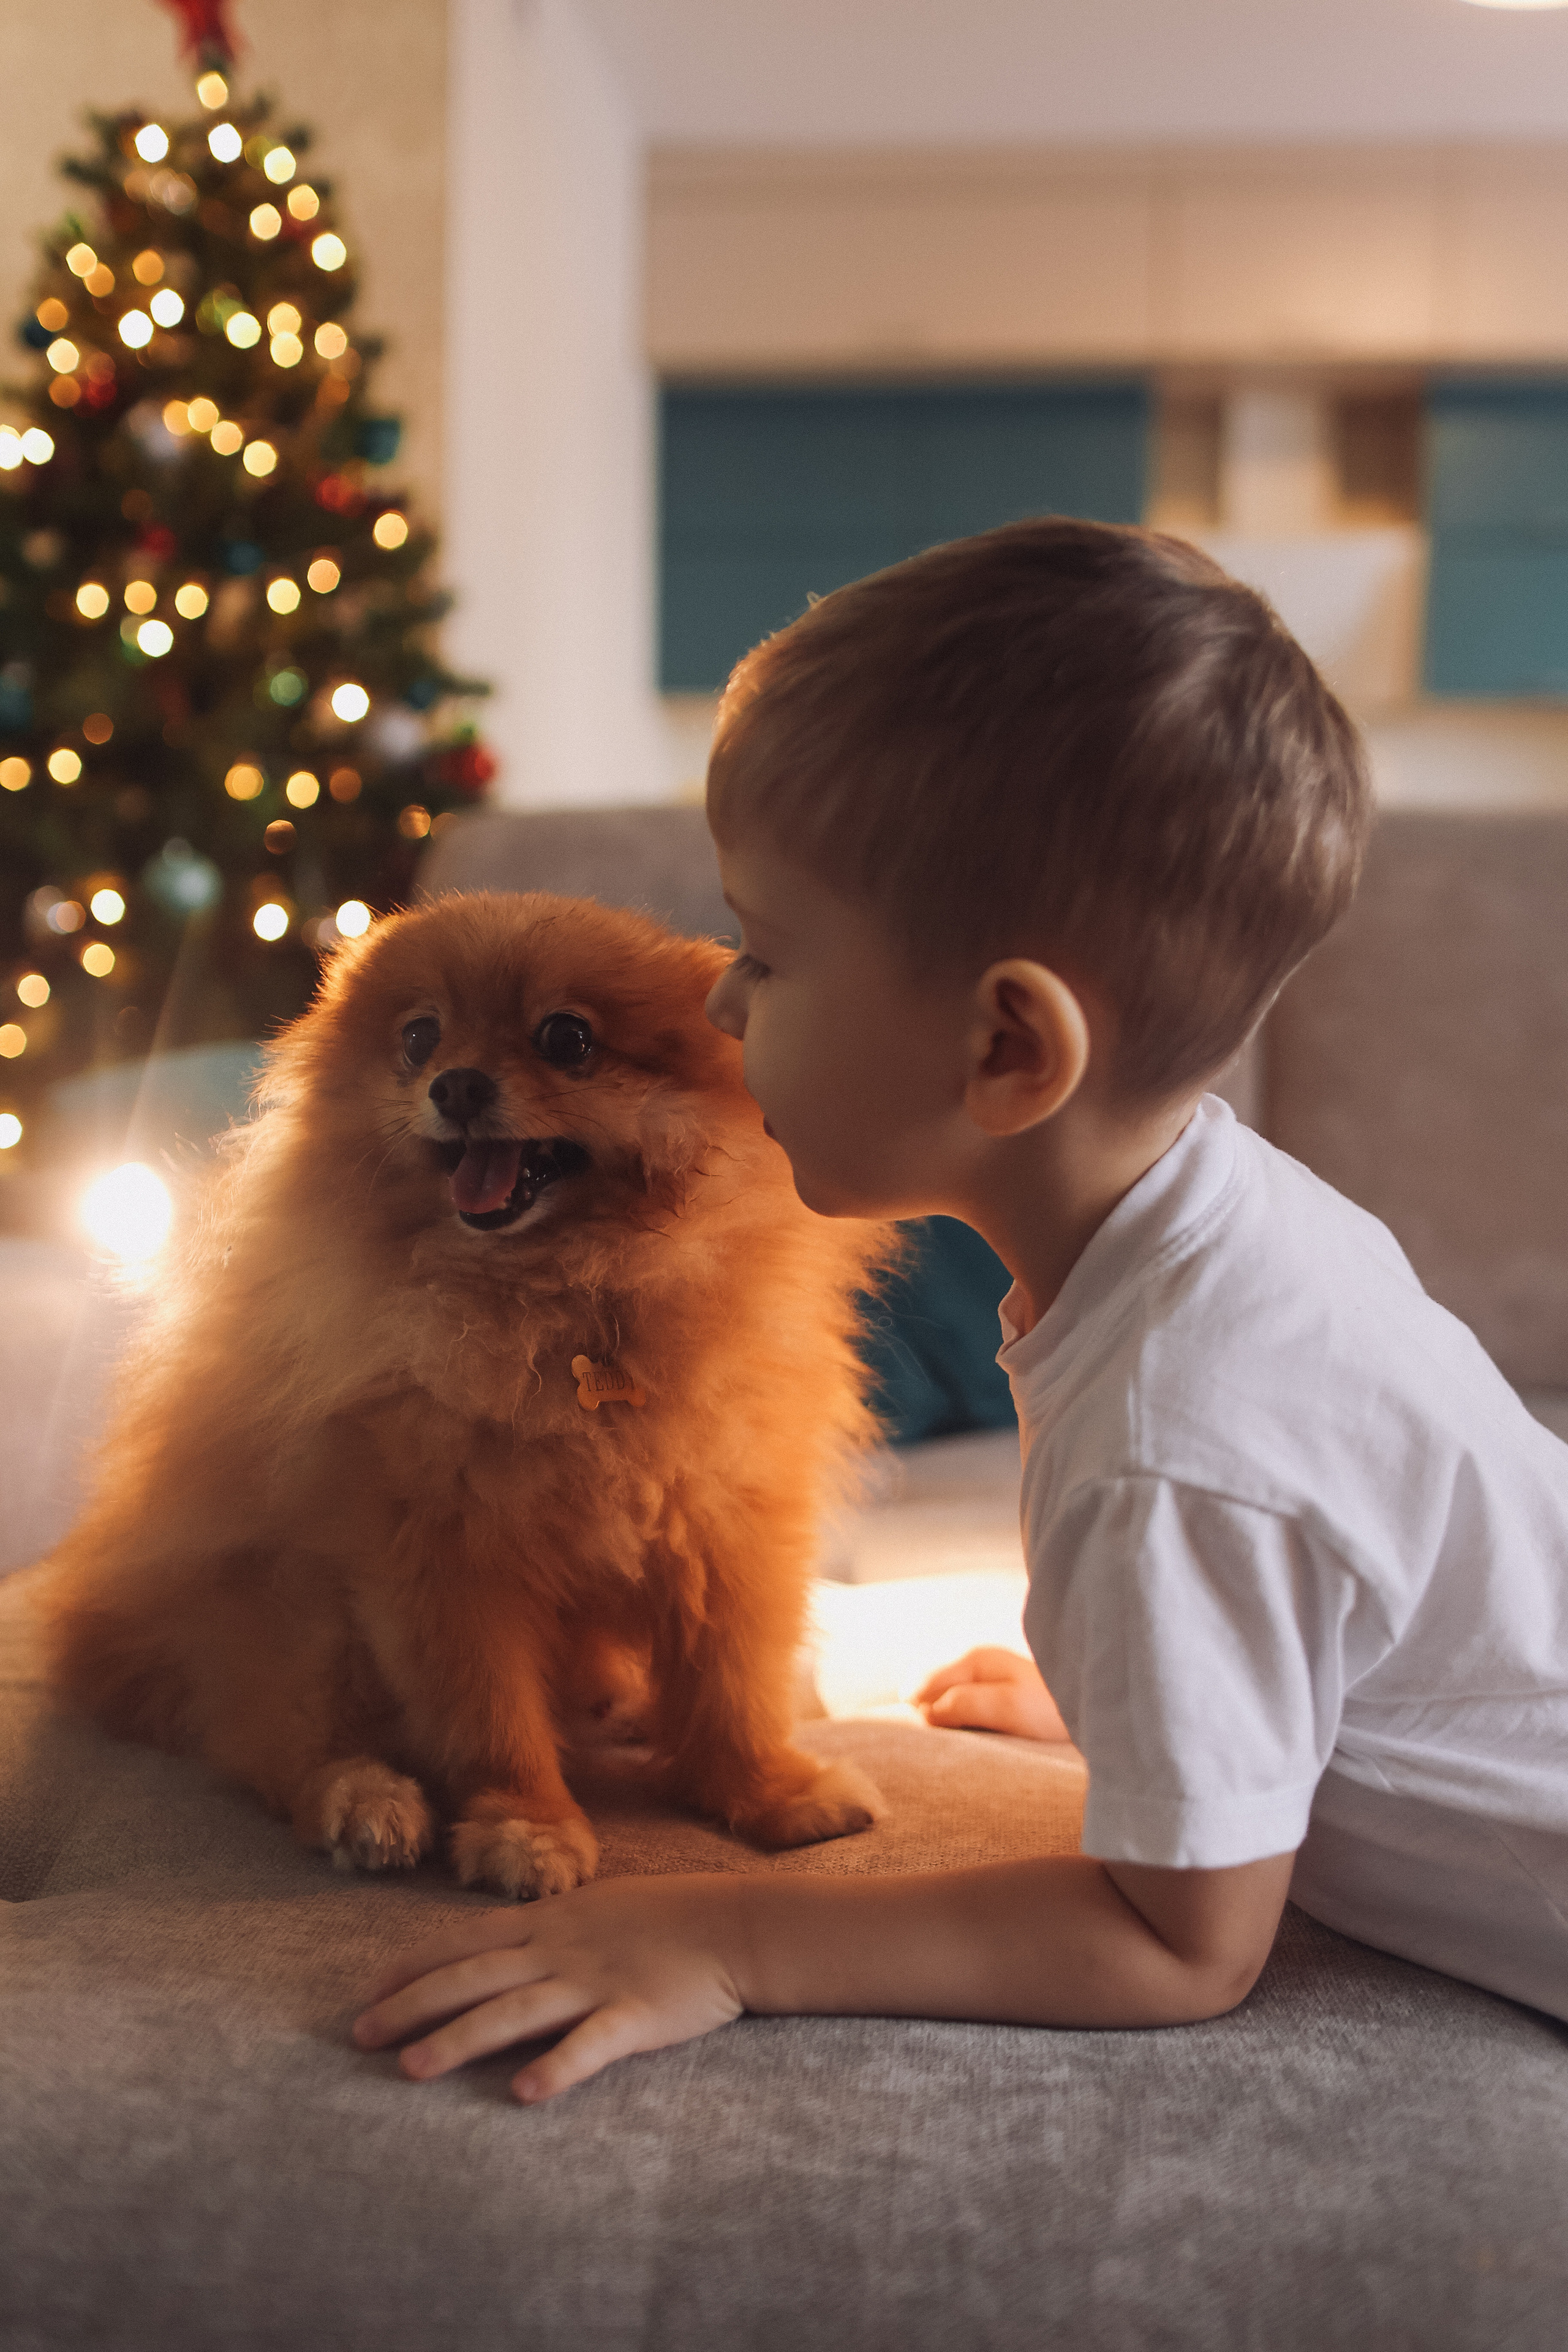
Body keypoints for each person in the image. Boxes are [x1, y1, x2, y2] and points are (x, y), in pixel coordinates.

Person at [353, 519, 1568, 2100]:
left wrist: (732, 1942)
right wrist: (1151, 1705)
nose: (720, 1004)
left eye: (769, 956)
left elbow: (1181, 1945)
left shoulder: (1177, 1441)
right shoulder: (1219, 1226)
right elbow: (1385, 1575)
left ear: (1006, 1051)